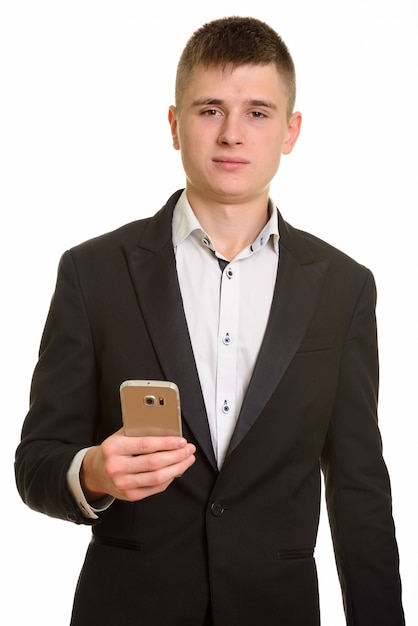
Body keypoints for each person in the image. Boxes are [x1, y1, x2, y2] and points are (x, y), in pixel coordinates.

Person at [15, 15, 405, 626]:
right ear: (174, 125)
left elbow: (359, 490)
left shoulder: (344, 288)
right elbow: (36, 461)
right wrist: (91, 471)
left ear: (290, 131)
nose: (231, 134)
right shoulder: (93, 272)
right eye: (208, 110)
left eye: (257, 112)